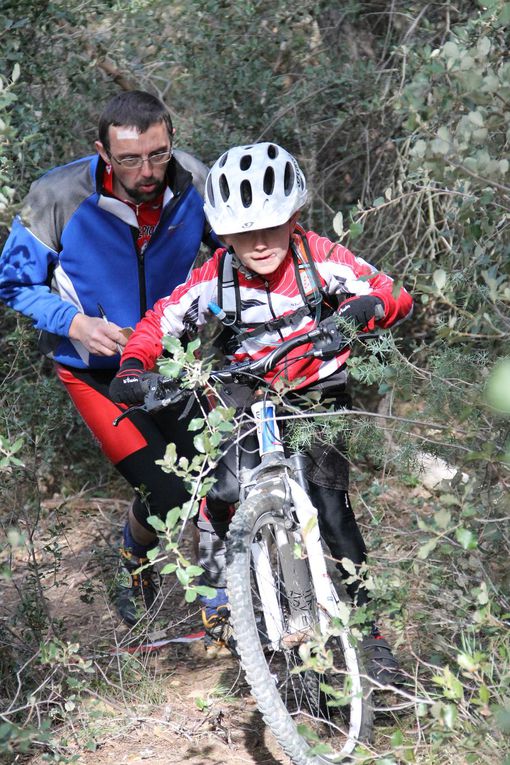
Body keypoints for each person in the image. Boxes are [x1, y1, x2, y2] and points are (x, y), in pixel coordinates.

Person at [109, 141, 413, 681]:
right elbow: (160, 320)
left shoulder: (320, 257)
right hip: (243, 392)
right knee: (223, 493)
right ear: (222, 233)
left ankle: (371, 633)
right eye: (243, 233)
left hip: (314, 389)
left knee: (335, 516)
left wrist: (362, 312)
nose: (258, 243)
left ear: (294, 219)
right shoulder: (215, 277)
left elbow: (391, 292)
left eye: (271, 228)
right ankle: (223, 583)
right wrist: (134, 368)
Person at [0, 90, 218, 626]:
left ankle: (223, 599)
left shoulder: (193, 180)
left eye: (158, 153)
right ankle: (131, 555)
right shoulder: (57, 196)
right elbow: (11, 282)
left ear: (171, 141)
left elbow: (233, 249)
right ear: (102, 150)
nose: (147, 171)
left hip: (173, 361)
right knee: (168, 493)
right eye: (129, 159)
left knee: (216, 479)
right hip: (95, 374)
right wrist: (74, 323)